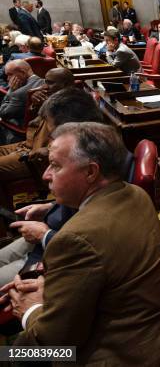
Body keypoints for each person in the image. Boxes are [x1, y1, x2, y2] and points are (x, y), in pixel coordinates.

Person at [1, 122, 160, 365]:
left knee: (10, 354)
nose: (45, 175)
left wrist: (29, 310)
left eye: (55, 166)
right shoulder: (136, 194)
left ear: (91, 172)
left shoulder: (76, 239)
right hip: (151, 335)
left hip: (112, 356)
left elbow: (55, 344)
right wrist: (51, 288)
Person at [0, 87, 103, 285]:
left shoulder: (94, 160)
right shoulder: (84, 148)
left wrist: (45, 235)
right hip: (51, 231)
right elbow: (80, 204)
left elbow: (88, 249)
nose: (46, 175)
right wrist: (50, 206)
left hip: (56, 255)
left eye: (55, 166)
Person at [0, 68, 75, 206]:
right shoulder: (52, 99)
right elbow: (34, 124)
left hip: (34, 156)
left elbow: (72, 139)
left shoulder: (72, 106)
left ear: (66, 85)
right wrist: (35, 105)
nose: (45, 86)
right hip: (25, 145)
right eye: (45, 81)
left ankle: (6, 219)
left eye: (50, 83)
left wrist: (49, 151)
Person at [0, 60, 44, 144]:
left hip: (21, 129)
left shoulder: (19, 93)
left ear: (23, 73)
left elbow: (3, 113)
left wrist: (11, 90)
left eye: (10, 75)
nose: (8, 79)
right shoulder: (44, 81)